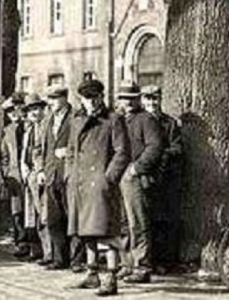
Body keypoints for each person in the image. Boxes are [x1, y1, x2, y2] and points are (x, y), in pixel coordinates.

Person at [67, 78, 129, 297]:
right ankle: (92, 273)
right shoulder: (77, 121)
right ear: (80, 100)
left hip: (100, 184)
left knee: (106, 231)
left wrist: (108, 178)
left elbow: (122, 152)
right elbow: (71, 151)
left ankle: (111, 278)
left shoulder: (113, 120)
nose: (91, 103)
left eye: (94, 98)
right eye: (86, 99)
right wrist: (70, 175)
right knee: (86, 231)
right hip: (80, 183)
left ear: (101, 97)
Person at [115, 81, 163, 284]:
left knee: (138, 223)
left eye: (131, 99)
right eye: (123, 99)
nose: (127, 103)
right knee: (123, 223)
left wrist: (136, 168)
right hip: (118, 176)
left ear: (138, 99)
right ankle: (126, 263)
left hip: (135, 177)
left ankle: (142, 266)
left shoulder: (146, 120)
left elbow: (155, 147)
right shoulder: (118, 120)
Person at [141, 84, 183, 273]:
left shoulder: (169, 123)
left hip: (163, 179)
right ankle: (144, 260)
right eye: (148, 99)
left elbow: (177, 147)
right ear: (143, 100)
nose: (152, 102)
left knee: (162, 220)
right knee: (143, 220)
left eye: (155, 98)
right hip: (142, 175)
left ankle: (163, 261)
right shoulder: (139, 121)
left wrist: (160, 154)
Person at [38, 84, 73, 270]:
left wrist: (68, 151)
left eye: (54, 98)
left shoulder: (75, 118)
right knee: (53, 218)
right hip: (51, 174)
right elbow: (43, 148)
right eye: (50, 99)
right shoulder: (48, 120)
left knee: (71, 217)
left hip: (68, 174)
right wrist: (41, 170)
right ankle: (59, 258)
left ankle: (76, 260)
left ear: (65, 98)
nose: (51, 103)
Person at [0, 92, 27, 255]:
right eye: (10, 112)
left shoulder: (30, 126)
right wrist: (6, 174)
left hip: (28, 175)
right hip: (14, 176)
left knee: (31, 212)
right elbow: (4, 155)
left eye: (17, 109)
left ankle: (34, 244)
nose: (14, 114)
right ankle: (21, 242)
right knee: (17, 212)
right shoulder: (7, 130)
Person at [22, 93, 47, 263]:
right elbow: (26, 151)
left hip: (39, 174)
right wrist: (24, 166)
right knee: (30, 215)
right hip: (29, 174)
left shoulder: (45, 127)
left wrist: (40, 171)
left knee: (43, 214)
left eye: (37, 109)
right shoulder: (29, 129)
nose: (34, 113)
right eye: (31, 110)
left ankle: (49, 252)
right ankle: (36, 250)